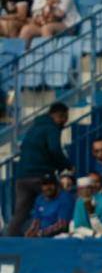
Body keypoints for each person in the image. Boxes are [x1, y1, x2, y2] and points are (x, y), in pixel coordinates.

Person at [6, 101, 70, 236]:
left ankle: (8, 242)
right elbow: (55, 149)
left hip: (22, 177)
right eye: (64, 118)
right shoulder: (52, 127)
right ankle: (57, 233)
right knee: (61, 198)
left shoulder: (34, 127)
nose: (65, 122)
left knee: (20, 213)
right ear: (59, 116)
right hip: (40, 175)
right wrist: (66, 165)